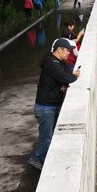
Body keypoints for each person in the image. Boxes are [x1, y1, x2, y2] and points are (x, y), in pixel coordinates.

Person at [27, 39, 81, 170]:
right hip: (46, 108)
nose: (69, 53)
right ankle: (35, 159)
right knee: (46, 138)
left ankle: (43, 159)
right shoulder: (52, 63)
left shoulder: (56, 62)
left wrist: (65, 80)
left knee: (47, 136)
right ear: (59, 49)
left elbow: (64, 75)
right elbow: (66, 77)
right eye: (67, 50)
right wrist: (74, 76)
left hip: (49, 106)